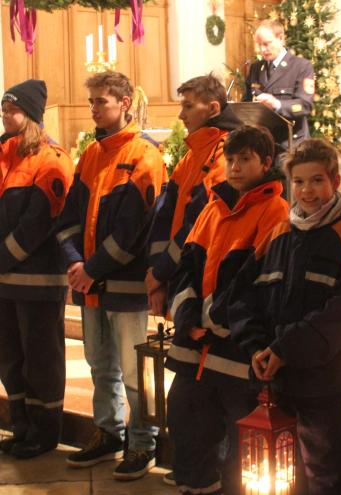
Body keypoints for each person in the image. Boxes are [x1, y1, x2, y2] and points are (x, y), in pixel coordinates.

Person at [229, 138, 341, 495]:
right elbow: (241, 297)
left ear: (334, 182)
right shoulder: (277, 234)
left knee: (329, 473)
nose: (307, 190)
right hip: (276, 381)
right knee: (284, 476)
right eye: (300, 182)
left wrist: (286, 348)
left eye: (317, 180)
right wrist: (257, 347)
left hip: (323, 384)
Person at [165, 125, 289, 495]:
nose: (234, 167)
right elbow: (187, 266)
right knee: (185, 421)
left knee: (239, 442)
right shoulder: (212, 207)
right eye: (230, 159)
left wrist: (216, 319)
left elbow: (258, 278)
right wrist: (187, 317)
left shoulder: (275, 209)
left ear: (265, 162)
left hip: (235, 347)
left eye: (244, 159)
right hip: (194, 345)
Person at [56, 71, 167, 481]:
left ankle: (142, 444)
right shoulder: (91, 154)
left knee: (135, 373)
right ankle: (107, 432)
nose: (93, 109)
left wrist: (91, 269)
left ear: (123, 103)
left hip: (125, 286)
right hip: (89, 285)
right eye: (91, 103)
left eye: (101, 101)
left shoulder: (145, 156)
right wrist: (74, 263)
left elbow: (135, 230)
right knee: (100, 365)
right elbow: (69, 217)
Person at [0, 80, 74, 458]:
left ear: (29, 114)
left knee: (41, 359)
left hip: (39, 279)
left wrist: (2, 258)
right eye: (2, 109)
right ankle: (22, 426)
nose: (4, 115)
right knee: (10, 358)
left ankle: (45, 433)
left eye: (10, 109)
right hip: (5, 281)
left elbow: (37, 223)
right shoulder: (4, 154)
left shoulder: (52, 158)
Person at [146, 74, 242, 318]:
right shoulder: (192, 155)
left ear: (213, 109)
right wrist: (157, 272)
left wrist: (159, 273)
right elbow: (163, 215)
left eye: (188, 106)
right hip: (176, 273)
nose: (181, 115)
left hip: (204, 276)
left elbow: (196, 223)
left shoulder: (227, 154)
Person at [243, 19, 315, 150]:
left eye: (266, 44)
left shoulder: (301, 66)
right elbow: (246, 103)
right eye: (259, 45)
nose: (262, 50)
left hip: (291, 145)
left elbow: (305, 105)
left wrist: (277, 104)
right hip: (262, 145)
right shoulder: (255, 68)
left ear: (281, 38)